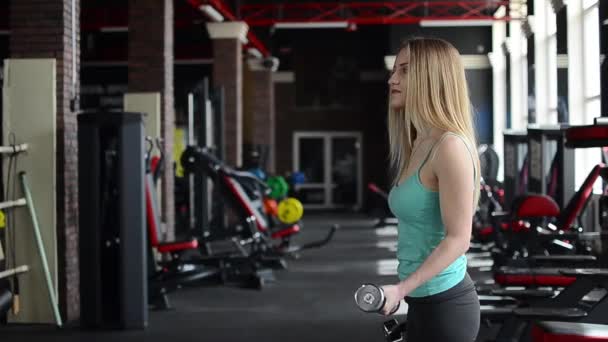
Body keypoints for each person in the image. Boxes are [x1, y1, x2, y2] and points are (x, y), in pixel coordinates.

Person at [380, 37, 481, 341]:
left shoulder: (449, 147)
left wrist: (400, 288)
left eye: (405, 71)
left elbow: (459, 238)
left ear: (431, 78)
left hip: (447, 305)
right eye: (394, 70)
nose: (392, 79)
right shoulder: (419, 143)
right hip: (422, 303)